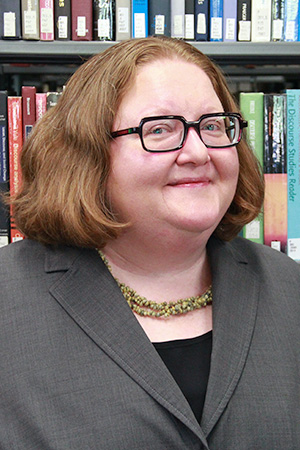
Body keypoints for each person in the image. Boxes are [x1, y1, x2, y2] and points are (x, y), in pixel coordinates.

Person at [1, 36, 299, 450]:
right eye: (159, 129)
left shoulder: (290, 287)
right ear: (88, 154)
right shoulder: (7, 302)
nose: (197, 151)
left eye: (213, 126)